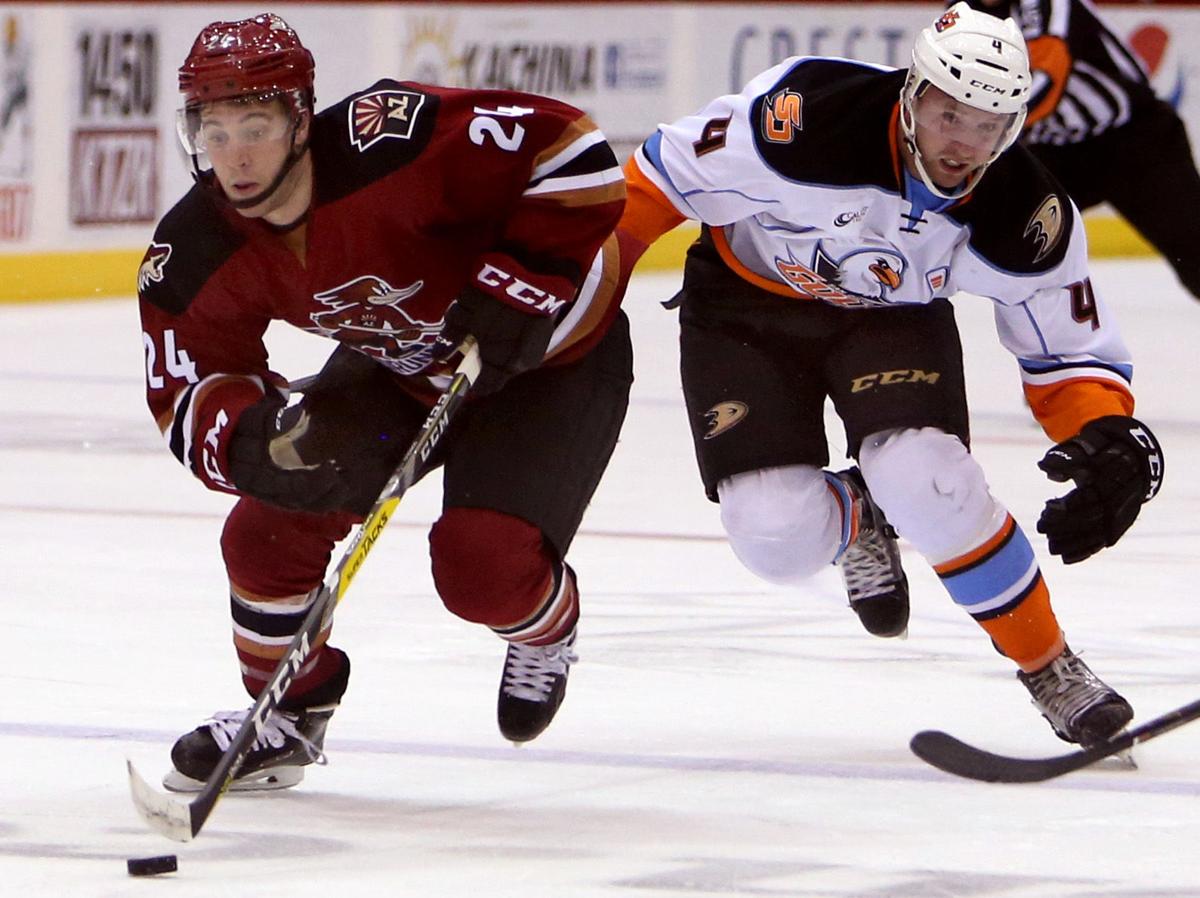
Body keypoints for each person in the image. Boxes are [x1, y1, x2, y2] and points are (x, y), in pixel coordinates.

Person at [615, 3, 1163, 747]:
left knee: (925, 475)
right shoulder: (802, 120)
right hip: (744, 310)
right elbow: (656, 178)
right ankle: (856, 520)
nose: (962, 144)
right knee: (772, 535)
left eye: (987, 126)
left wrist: (1107, 438)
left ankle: (1050, 666)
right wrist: (579, 293)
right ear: (913, 92)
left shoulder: (1024, 212)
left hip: (891, 319)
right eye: (949, 114)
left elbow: (1070, 352)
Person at [137, 13, 631, 791]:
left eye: (255, 125)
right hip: (400, 370)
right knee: (266, 534)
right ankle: (290, 714)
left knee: (481, 571)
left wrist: (521, 277)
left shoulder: (389, 140)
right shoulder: (195, 247)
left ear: (302, 117)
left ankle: (547, 626)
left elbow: (572, 150)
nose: (233, 154)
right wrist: (255, 441)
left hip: (550, 364)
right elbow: (191, 383)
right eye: (214, 127)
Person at [958, 0, 1200, 301]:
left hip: (1136, 142)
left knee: (1195, 250)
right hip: (1057, 154)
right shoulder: (963, 14)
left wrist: (977, 127)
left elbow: (1049, 70)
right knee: (1008, 240)